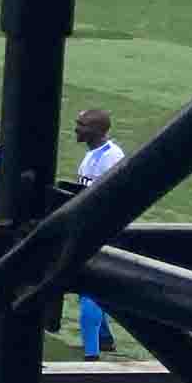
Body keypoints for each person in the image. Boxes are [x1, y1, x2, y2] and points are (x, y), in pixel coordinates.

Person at [74, 109, 125, 359]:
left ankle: (91, 355)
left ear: (97, 130)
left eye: (81, 125)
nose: (76, 129)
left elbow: (116, 198)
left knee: (87, 288)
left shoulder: (111, 157)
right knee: (94, 285)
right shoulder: (93, 154)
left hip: (100, 231)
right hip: (88, 227)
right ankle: (104, 340)